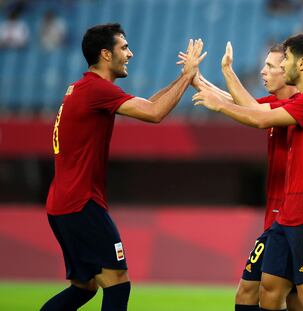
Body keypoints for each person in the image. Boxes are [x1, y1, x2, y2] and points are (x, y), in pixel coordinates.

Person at [41, 23, 206, 311]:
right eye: (124, 48)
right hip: (82, 203)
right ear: (106, 54)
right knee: (118, 282)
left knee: (84, 287)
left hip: (63, 203)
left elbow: (148, 104)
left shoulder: (85, 89)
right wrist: (187, 77)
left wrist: (183, 78)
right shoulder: (96, 90)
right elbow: (155, 113)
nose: (130, 54)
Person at [193, 33, 303, 311]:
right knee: (268, 290)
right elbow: (255, 109)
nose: (278, 66)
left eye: (285, 59)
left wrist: (220, 105)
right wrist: (213, 77)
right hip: (288, 213)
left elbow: (260, 118)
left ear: (301, 64)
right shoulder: (302, 101)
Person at [188, 42, 299, 311]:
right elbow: (237, 103)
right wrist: (195, 79)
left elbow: (254, 115)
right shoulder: (274, 104)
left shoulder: (298, 105)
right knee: (253, 293)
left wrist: (227, 70)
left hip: (296, 219)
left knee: (292, 299)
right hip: (276, 219)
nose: (262, 72)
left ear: (289, 71)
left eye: (270, 66)